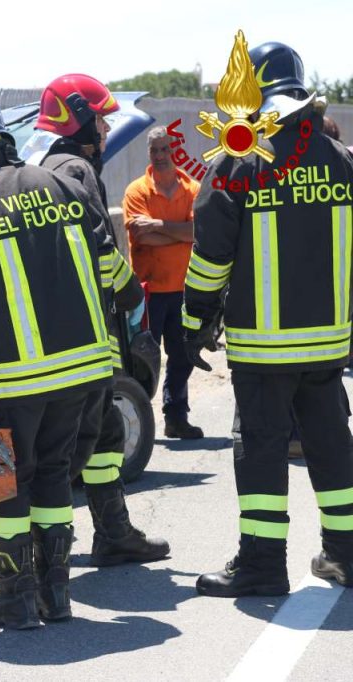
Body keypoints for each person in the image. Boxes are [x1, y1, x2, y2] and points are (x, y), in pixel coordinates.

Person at [0, 92, 116, 628]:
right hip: (84, 367)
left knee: (9, 484)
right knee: (56, 474)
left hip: (17, 377)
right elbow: (105, 268)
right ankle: (56, 596)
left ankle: (15, 598)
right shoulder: (63, 185)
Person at [184, 40, 353, 597]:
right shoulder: (341, 160)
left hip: (264, 349)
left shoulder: (238, 159)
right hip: (329, 348)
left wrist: (193, 322)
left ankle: (261, 565)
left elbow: (211, 258)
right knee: (332, 448)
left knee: (259, 452)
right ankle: (346, 555)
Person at [34, 74, 170, 566]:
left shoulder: (53, 166)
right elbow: (97, 247)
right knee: (80, 438)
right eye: (100, 117)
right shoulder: (76, 170)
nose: (108, 126)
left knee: (106, 430)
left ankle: (113, 532)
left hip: (76, 324)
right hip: (88, 327)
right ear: (79, 118)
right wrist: (132, 293)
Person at [123, 126, 204, 439]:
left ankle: (175, 416)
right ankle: (137, 422)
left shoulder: (193, 190)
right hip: (148, 292)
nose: (160, 156)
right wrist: (181, 231)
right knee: (142, 357)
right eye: (154, 150)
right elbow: (140, 235)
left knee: (183, 356)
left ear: (177, 152)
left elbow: (199, 233)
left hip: (185, 290)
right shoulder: (136, 191)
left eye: (165, 150)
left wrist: (158, 226)